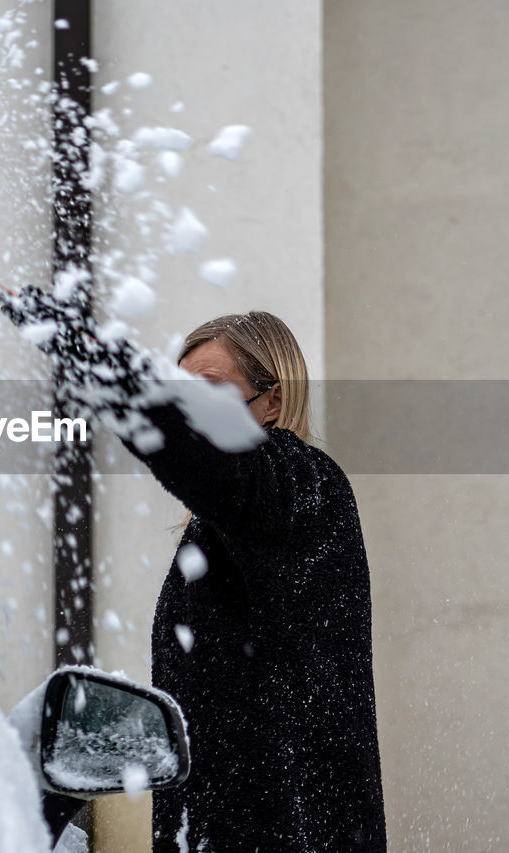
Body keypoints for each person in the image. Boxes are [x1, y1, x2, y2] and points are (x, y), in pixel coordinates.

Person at [119, 312, 386, 853]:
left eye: (210, 391)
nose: (187, 408)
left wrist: (109, 371)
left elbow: (215, 465)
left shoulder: (304, 488)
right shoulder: (222, 529)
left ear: (273, 401)